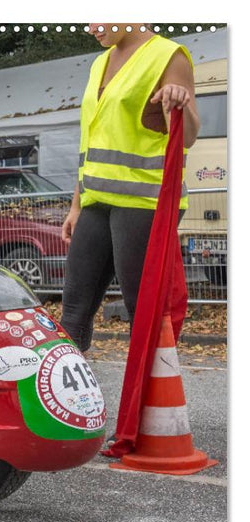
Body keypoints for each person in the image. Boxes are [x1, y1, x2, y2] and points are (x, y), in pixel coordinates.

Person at [60, 24, 199, 351]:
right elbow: (91, 141)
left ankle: (152, 399)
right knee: (74, 308)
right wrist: (76, 205)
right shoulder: (100, 62)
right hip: (96, 201)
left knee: (143, 310)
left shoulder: (168, 56)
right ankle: (69, 399)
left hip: (144, 202)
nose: (91, 27)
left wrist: (176, 105)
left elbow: (189, 136)